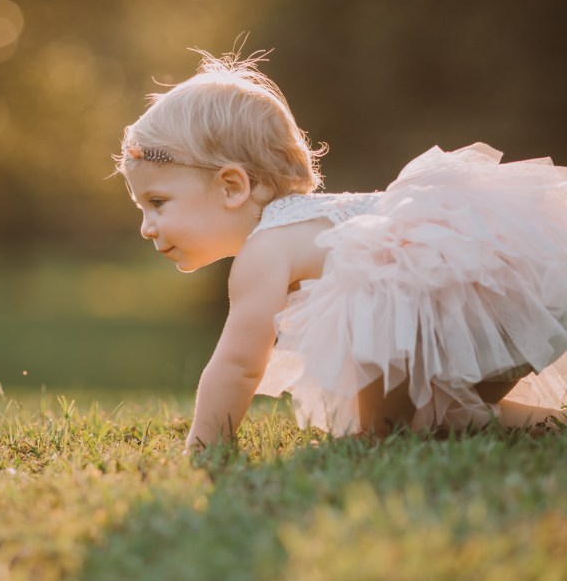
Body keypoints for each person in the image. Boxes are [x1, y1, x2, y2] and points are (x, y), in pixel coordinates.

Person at [116, 50, 567, 451]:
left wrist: (204, 445)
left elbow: (238, 364)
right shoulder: (306, 222)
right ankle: (553, 426)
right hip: (512, 293)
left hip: (467, 304)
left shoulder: (265, 250)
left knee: (380, 435)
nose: (145, 227)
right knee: (436, 422)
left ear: (232, 186)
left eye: (157, 203)